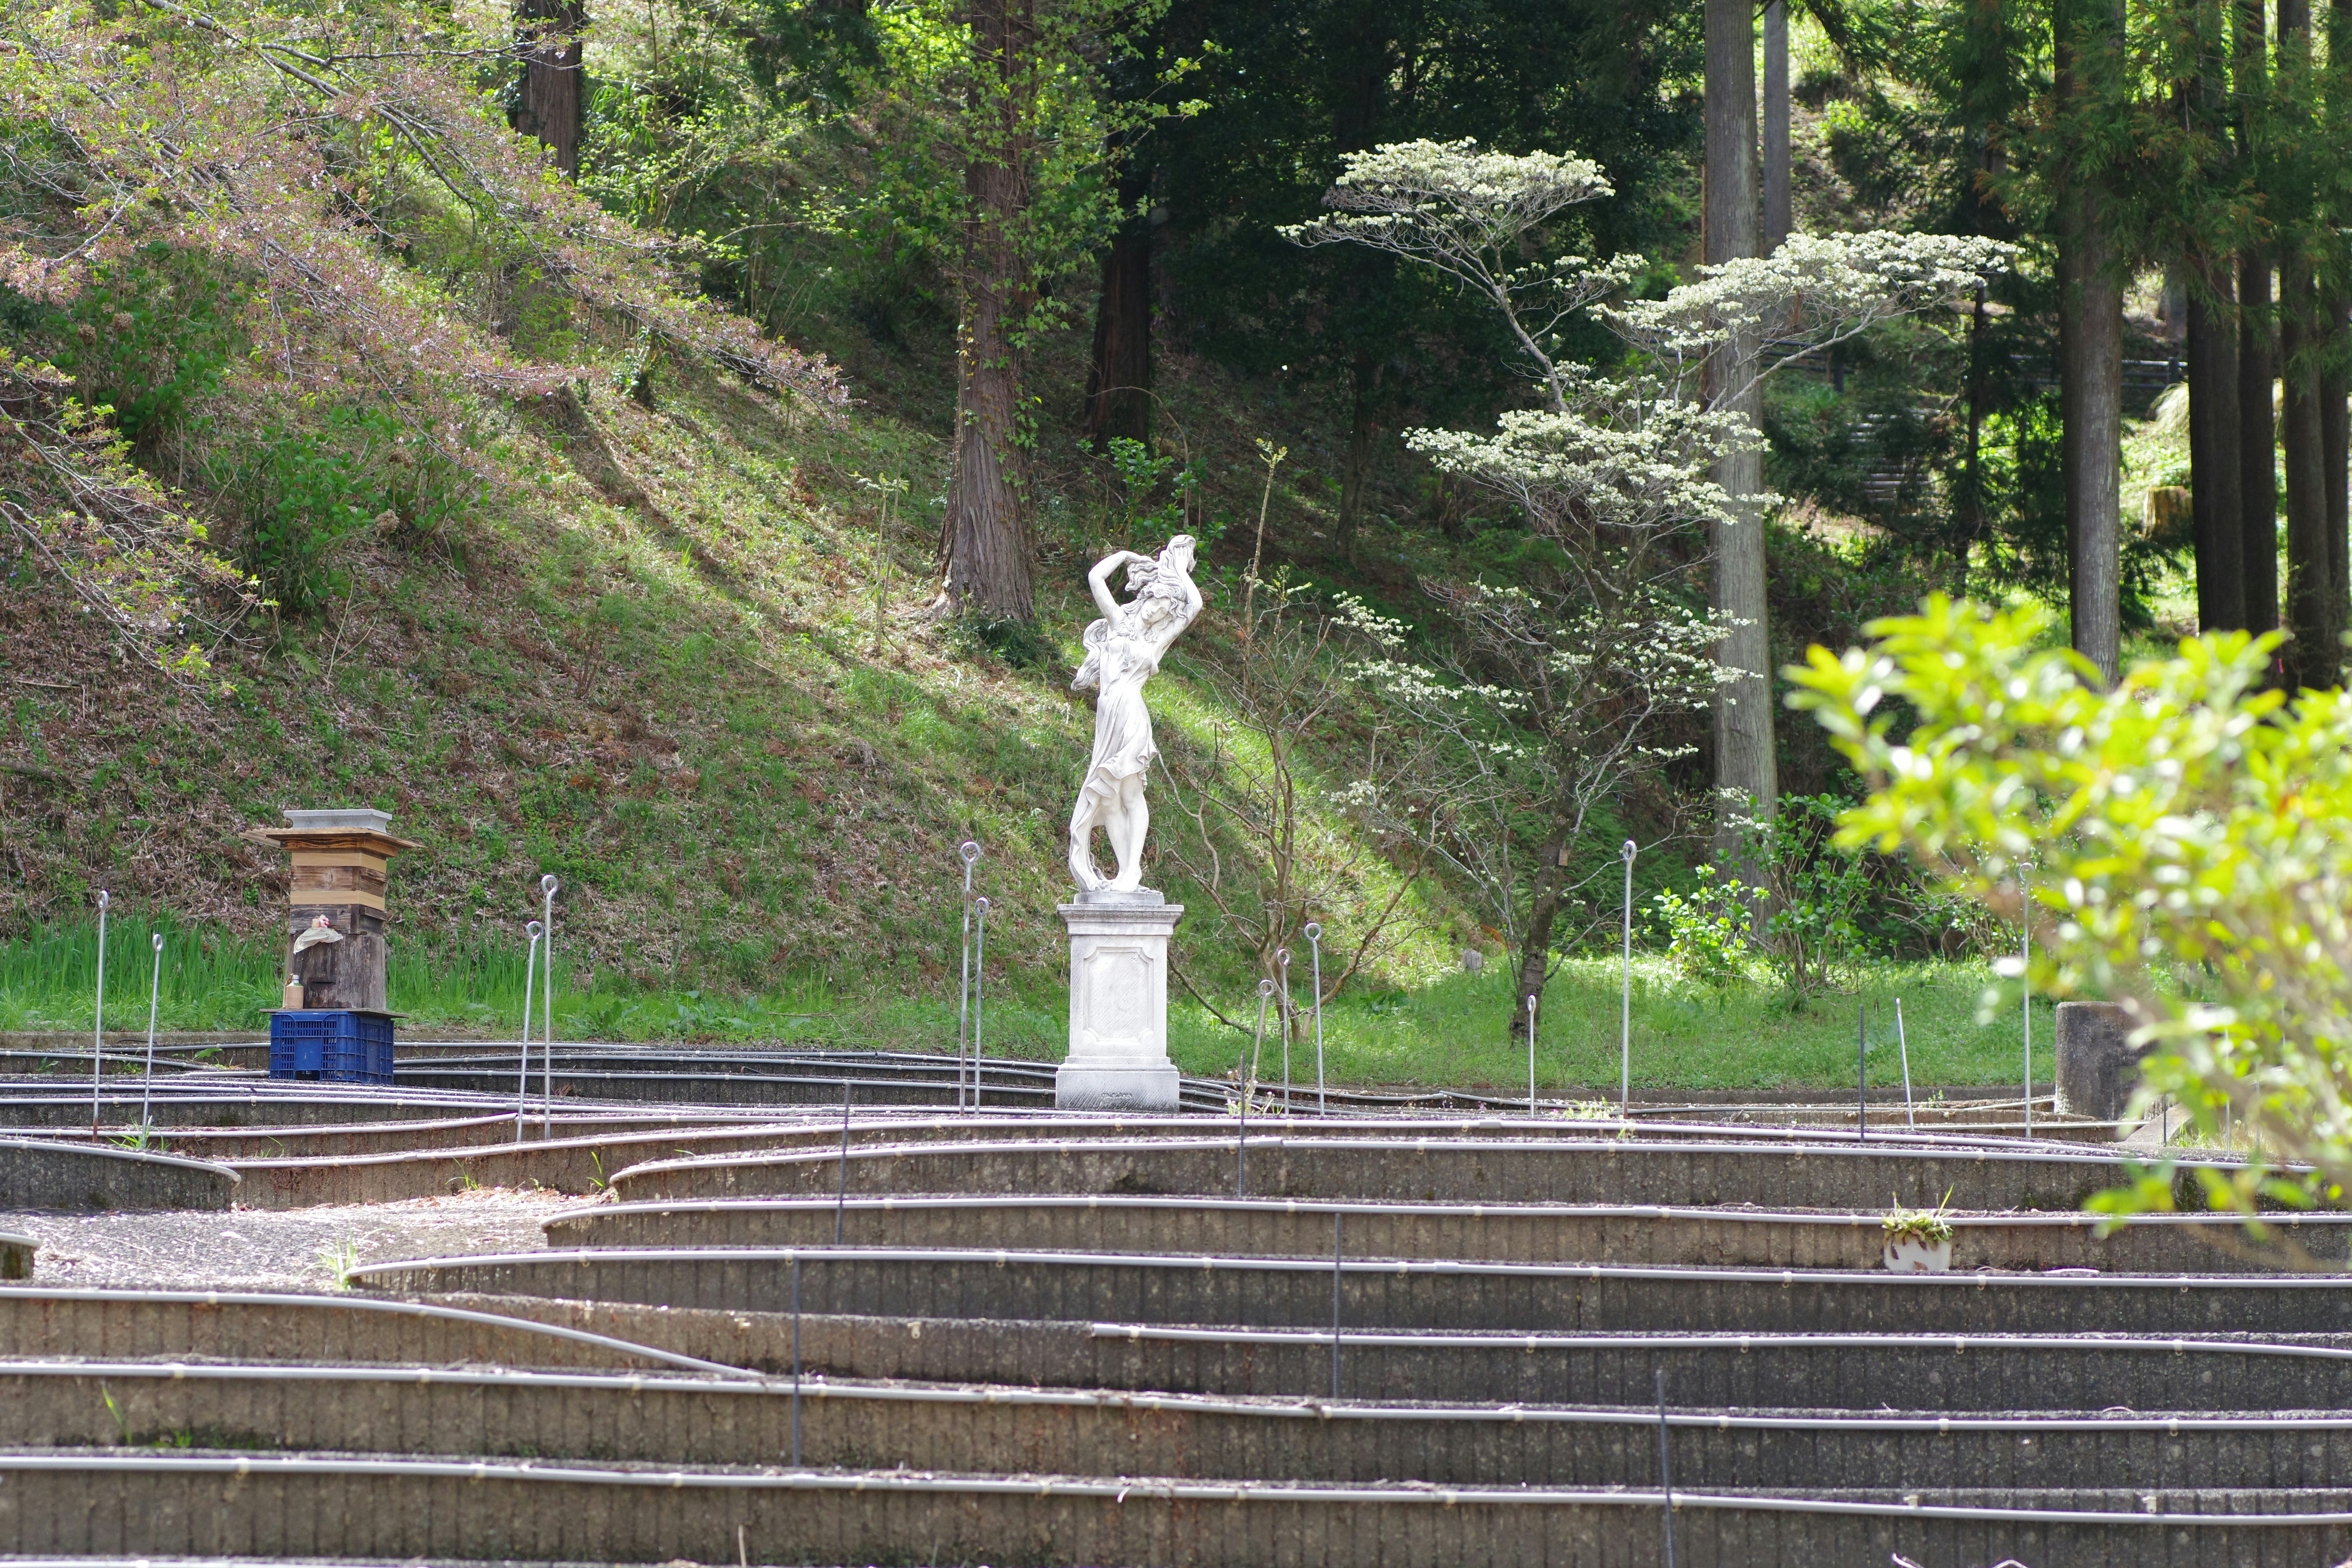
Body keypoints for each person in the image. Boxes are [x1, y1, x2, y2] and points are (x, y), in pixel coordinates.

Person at [1068, 535, 1201, 892]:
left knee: (1129, 793)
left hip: (1130, 713)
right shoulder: (1117, 622)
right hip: (1107, 714)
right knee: (1107, 798)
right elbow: (1096, 579)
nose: (1158, 608)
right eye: (1156, 598)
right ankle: (1125, 873)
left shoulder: (1156, 641)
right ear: (1145, 595)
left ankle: (1133, 872)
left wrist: (1178, 569)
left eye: (1165, 607)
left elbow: (1194, 606)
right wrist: (1125, 555)